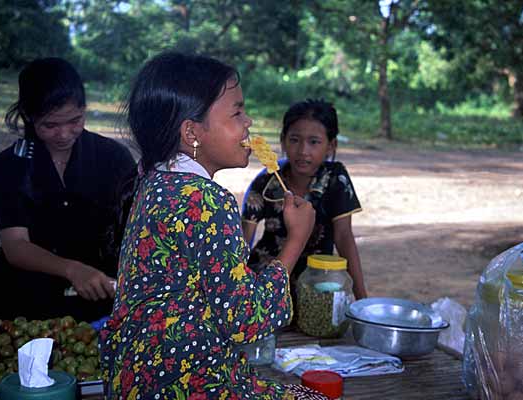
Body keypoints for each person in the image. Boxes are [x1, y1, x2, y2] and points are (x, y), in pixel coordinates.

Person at [99, 52, 329, 399]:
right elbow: (245, 321)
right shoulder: (204, 200)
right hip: (182, 382)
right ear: (192, 132)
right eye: (237, 112)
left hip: (136, 378)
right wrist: (296, 240)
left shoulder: (154, 180)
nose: (249, 122)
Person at [0, 57, 136, 321]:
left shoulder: (114, 158)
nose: (64, 134)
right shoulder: (9, 165)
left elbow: (134, 234)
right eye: (50, 125)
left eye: (75, 121)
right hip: (27, 293)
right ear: (30, 117)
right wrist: (72, 270)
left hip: (101, 293)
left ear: (84, 110)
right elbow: (16, 245)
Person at [242, 99, 368, 299]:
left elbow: (344, 237)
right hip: (269, 277)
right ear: (283, 141)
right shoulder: (267, 181)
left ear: (331, 145)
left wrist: (362, 299)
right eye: (294, 140)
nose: (303, 151)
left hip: (317, 279)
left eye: (314, 142)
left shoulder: (336, 179)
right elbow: (244, 239)